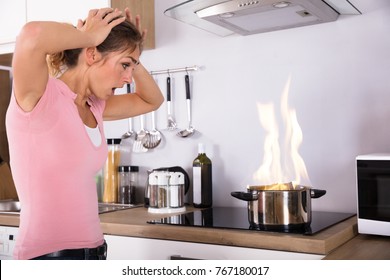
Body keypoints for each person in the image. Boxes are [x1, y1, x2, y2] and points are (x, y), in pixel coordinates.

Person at [5, 7, 164, 260]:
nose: (128, 78)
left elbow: (152, 100)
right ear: (91, 54)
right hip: (47, 258)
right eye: (124, 66)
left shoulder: (95, 106)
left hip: (95, 251)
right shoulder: (40, 96)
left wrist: (133, 55)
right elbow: (32, 35)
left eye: (131, 69)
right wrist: (90, 36)